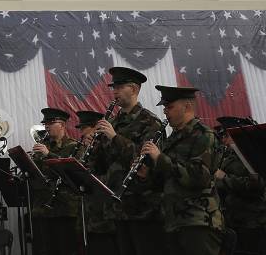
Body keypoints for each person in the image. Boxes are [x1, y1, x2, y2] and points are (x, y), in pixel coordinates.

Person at [91, 66, 166, 255]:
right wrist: (95, 146)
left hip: (142, 208)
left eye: (119, 86)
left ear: (133, 89)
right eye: (113, 87)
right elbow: (102, 165)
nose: (114, 91)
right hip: (116, 207)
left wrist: (115, 137)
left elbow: (145, 160)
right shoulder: (113, 122)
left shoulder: (150, 122)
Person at [142, 86, 222, 255]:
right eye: (164, 108)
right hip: (173, 221)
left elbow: (199, 178)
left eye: (169, 107)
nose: (165, 112)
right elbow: (166, 179)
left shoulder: (204, 135)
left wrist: (160, 158)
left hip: (199, 222)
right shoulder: (172, 138)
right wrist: (147, 172)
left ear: (187, 106)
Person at [29, 107, 79, 255]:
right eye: (45, 124)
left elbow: (70, 172)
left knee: (65, 249)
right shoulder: (44, 146)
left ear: (62, 125)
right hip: (42, 208)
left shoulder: (74, 146)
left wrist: (48, 154)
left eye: (51, 123)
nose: (47, 127)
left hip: (65, 209)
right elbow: (36, 174)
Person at [213, 116, 266, 255]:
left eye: (226, 135)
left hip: (252, 220)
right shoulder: (228, 155)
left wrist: (224, 178)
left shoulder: (250, 156)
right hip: (233, 219)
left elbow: (257, 185)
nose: (223, 139)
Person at [73, 110, 118, 255]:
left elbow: (107, 172)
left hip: (104, 214)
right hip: (88, 213)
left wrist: (95, 148)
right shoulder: (83, 147)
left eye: (84, 128)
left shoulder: (107, 145)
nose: (82, 133)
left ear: (95, 128)